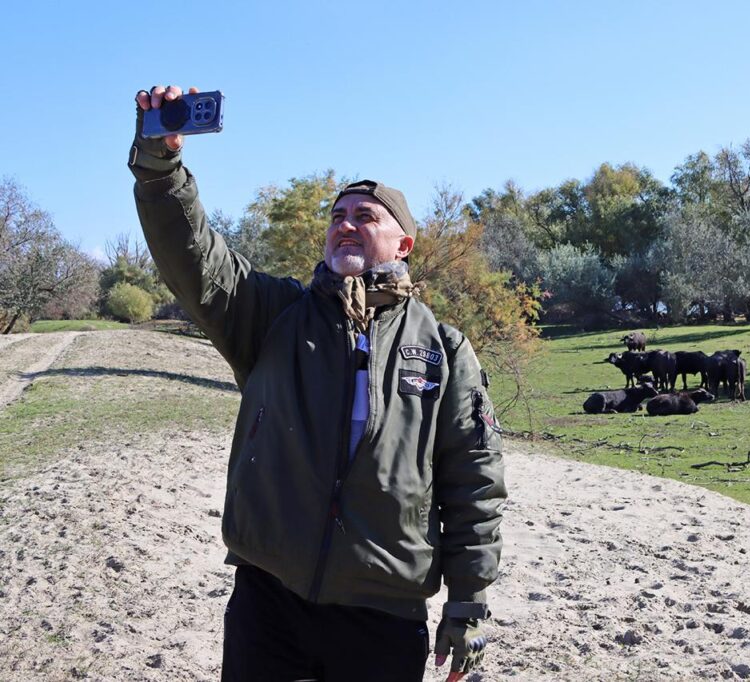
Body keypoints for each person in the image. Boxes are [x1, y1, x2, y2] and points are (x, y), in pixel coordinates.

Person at [128, 85, 506, 682]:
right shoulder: (274, 314)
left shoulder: (444, 349)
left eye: (364, 216)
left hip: (383, 607)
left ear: (404, 243)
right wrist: (159, 161)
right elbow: (192, 254)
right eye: (337, 217)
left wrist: (468, 603)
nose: (345, 225)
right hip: (269, 596)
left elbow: (474, 485)